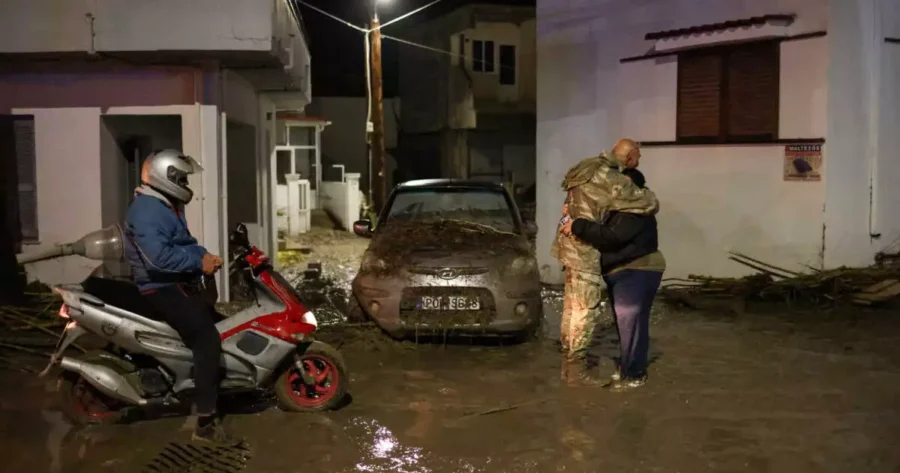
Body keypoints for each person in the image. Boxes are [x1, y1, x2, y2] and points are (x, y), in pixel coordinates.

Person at [123, 149, 238, 446]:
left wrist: (204, 255)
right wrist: (199, 261)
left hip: (175, 283)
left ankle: (202, 383)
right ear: (166, 177)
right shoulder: (147, 210)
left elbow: (183, 243)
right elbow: (158, 259)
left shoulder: (164, 204)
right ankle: (205, 422)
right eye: (182, 179)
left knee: (217, 324)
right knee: (207, 339)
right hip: (159, 287)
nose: (186, 184)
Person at [550, 138, 659, 386]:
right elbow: (650, 202)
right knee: (584, 310)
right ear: (629, 157)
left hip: (569, 247)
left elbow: (570, 205)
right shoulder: (610, 178)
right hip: (584, 250)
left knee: (571, 309)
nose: (639, 161)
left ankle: (569, 368)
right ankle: (576, 372)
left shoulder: (586, 168)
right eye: (638, 157)